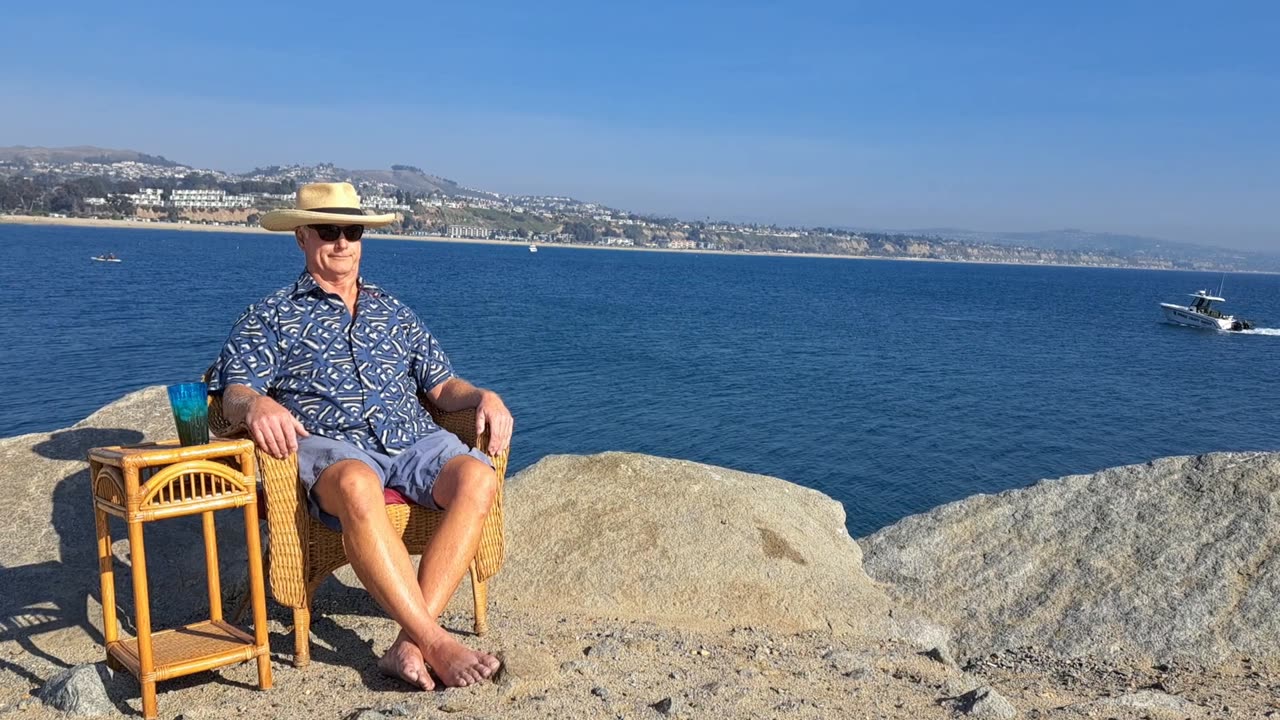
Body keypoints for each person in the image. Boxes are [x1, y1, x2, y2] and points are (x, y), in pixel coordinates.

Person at [208, 182, 510, 690]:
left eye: (352, 230)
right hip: (333, 447)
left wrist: (484, 396)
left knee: (478, 479)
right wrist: (256, 403)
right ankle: (435, 643)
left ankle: (408, 644)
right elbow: (232, 393)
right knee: (355, 483)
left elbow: (441, 385)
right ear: (301, 237)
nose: (342, 242)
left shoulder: (393, 311)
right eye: (328, 230)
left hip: (413, 441)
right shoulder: (271, 315)